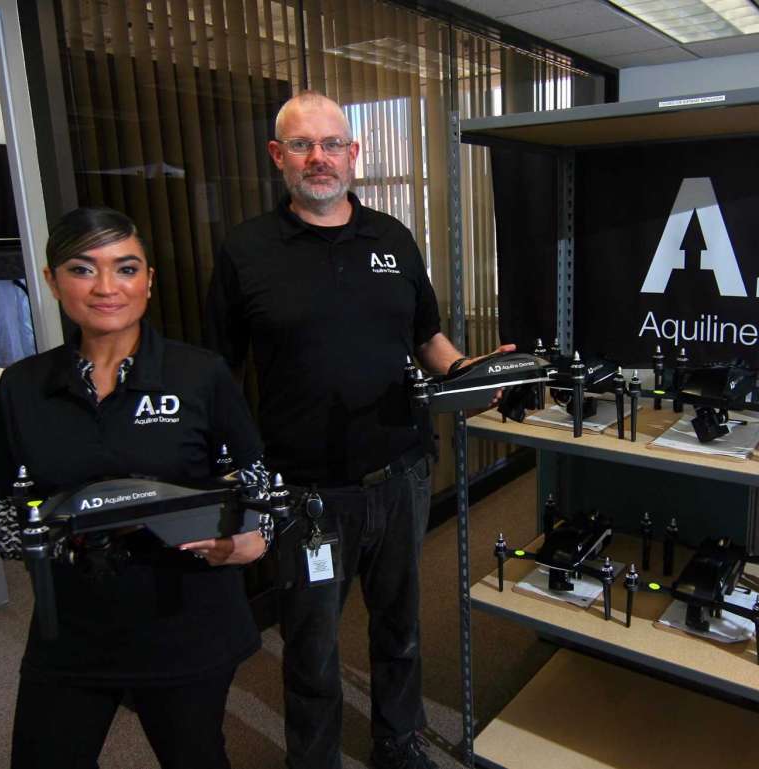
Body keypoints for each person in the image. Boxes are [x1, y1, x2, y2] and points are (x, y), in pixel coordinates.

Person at [204, 91, 509, 769]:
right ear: (278, 156)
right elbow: (219, 377)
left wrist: (469, 376)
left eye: (333, 143)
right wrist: (232, 488)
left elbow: (426, 335)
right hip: (304, 495)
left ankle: (398, 744)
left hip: (399, 475)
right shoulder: (247, 251)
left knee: (399, 630)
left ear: (355, 153)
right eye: (304, 145)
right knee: (311, 647)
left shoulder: (392, 240)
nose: (320, 158)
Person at [0, 206, 273, 769]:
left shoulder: (200, 375)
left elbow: (259, 488)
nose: (107, 287)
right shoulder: (23, 387)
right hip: (73, 626)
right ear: (52, 280)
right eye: (83, 269)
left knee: (195, 757)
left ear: (149, 280)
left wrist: (250, 540)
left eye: (125, 268)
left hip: (186, 622)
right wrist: (58, 537)